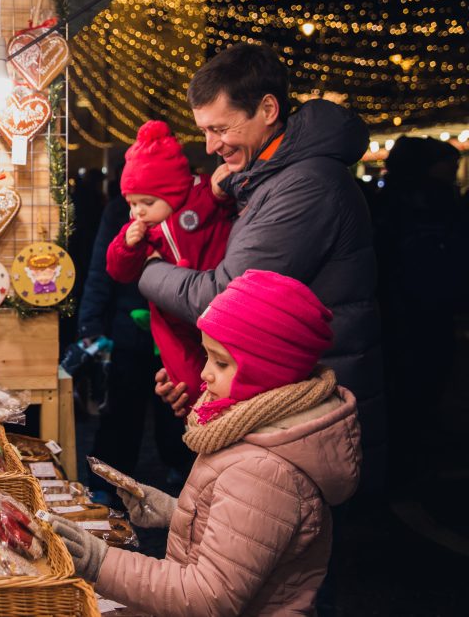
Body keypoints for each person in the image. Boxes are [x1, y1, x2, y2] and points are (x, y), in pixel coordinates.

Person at [137, 43, 384, 493]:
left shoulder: (306, 185)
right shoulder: (269, 178)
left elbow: (225, 297)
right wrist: (203, 370)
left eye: (220, 128)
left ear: (268, 109)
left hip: (314, 405)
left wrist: (147, 269)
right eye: (205, 131)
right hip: (286, 395)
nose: (211, 146)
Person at [53, 270, 362, 615]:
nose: (204, 374)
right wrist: (176, 512)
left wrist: (99, 562)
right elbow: (246, 534)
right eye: (207, 356)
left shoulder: (265, 471)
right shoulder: (257, 433)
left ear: (266, 372)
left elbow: (207, 598)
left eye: (221, 362)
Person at [77, 160, 192, 497]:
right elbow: (101, 269)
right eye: (134, 200)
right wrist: (91, 326)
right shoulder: (119, 211)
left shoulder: (187, 210)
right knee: (120, 413)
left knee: (178, 409)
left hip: (179, 329)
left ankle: (183, 475)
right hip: (128, 328)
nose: (139, 208)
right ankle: (106, 484)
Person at [106, 120, 233, 409]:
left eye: (147, 202)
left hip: (214, 304)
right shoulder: (142, 231)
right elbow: (118, 270)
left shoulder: (201, 197)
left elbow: (223, 206)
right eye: (132, 202)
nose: (138, 211)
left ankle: (219, 416)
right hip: (171, 319)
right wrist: (126, 245)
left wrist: (219, 190)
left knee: (223, 372)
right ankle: (198, 418)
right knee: (185, 380)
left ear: (172, 192)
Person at [372, 136, 467, 478]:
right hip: (411, 304)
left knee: (420, 375)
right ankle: (411, 450)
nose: (454, 172)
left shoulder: (410, 201)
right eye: (449, 165)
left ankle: (414, 444)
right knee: (417, 375)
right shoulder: (418, 203)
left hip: (416, 303)